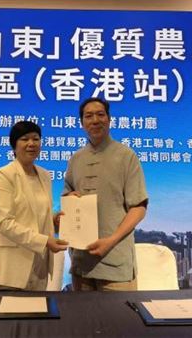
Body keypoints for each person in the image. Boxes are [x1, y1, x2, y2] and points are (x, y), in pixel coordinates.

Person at [63, 97, 148, 291]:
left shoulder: (126, 156)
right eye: (88, 116)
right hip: (81, 265)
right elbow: (67, 196)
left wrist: (110, 241)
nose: (95, 120)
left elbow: (139, 208)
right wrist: (69, 199)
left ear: (109, 119)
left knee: (120, 312)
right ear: (82, 123)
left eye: (100, 114)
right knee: (82, 312)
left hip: (116, 264)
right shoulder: (75, 159)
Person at [0, 121, 68, 290]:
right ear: (14, 145)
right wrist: (45, 241)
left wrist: (54, 220)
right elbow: (4, 223)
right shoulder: (4, 174)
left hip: (39, 266)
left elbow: (35, 215)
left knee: (37, 307)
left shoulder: (44, 175)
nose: (31, 144)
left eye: (36, 139)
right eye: (25, 139)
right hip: (11, 268)